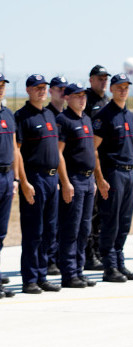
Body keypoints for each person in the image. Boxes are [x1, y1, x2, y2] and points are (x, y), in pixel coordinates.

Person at [15, 74, 63, 294]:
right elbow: (17, 152)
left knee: (49, 231)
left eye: (44, 88)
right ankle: (30, 278)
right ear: (28, 90)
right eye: (37, 88)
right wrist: (23, 181)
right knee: (34, 230)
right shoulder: (22, 117)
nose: (41, 91)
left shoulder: (50, 116)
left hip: (52, 180)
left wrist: (62, 180)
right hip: (35, 179)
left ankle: (42, 274)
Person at [93, 73, 133, 282]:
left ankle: (120, 261)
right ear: (111, 89)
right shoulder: (104, 116)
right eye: (119, 87)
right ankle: (109, 266)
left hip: (129, 172)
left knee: (125, 220)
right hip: (112, 172)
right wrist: (100, 178)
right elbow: (93, 150)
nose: (123, 90)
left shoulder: (129, 115)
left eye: (126, 87)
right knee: (110, 220)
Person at [55, 83, 97, 288]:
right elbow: (58, 154)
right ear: (67, 98)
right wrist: (65, 182)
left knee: (84, 228)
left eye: (84, 96)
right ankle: (69, 273)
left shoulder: (87, 119)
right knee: (71, 228)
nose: (82, 99)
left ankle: (79, 270)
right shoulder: (64, 120)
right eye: (77, 96)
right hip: (74, 179)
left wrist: (95, 179)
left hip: (89, 181)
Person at [84, 64, 109, 272]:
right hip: (91, 160)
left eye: (105, 78)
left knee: (103, 211)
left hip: (107, 162)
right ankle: (89, 253)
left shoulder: (106, 101)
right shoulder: (86, 100)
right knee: (91, 212)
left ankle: (100, 249)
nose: (103, 82)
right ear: (91, 79)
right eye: (99, 78)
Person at [43, 75, 68, 277]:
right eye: (59, 89)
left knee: (65, 222)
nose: (62, 92)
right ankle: (49, 260)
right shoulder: (47, 114)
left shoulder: (68, 116)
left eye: (65, 89)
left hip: (69, 176)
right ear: (51, 91)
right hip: (51, 176)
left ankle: (60, 257)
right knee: (50, 223)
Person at [0, 73, 20, 298]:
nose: (1, 88)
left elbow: (15, 148)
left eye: (3, 85)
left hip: (6, 178)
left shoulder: (7, 114)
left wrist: (15, 178)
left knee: (1, 232)